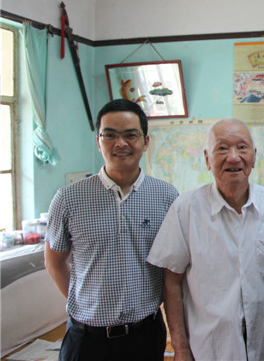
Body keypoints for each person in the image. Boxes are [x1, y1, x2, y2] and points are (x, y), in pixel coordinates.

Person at [147, 118, 264, 361]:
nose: (234, 157)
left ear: (254, 156)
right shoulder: (185, 209)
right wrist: (181, 348)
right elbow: (172, 282)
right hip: (211, 348)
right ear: (207, 159)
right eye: (222, 148)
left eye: (242, 147)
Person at [45, 99, 179, 361]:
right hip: (86, 339)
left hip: (145, 335)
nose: (120, 143)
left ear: (146, 141)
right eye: (110, 135)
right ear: (98, 142)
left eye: (130, 135)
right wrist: (86, 305)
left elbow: (172, 269)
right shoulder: (68, 198)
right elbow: (54, 262)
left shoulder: (166, 197)